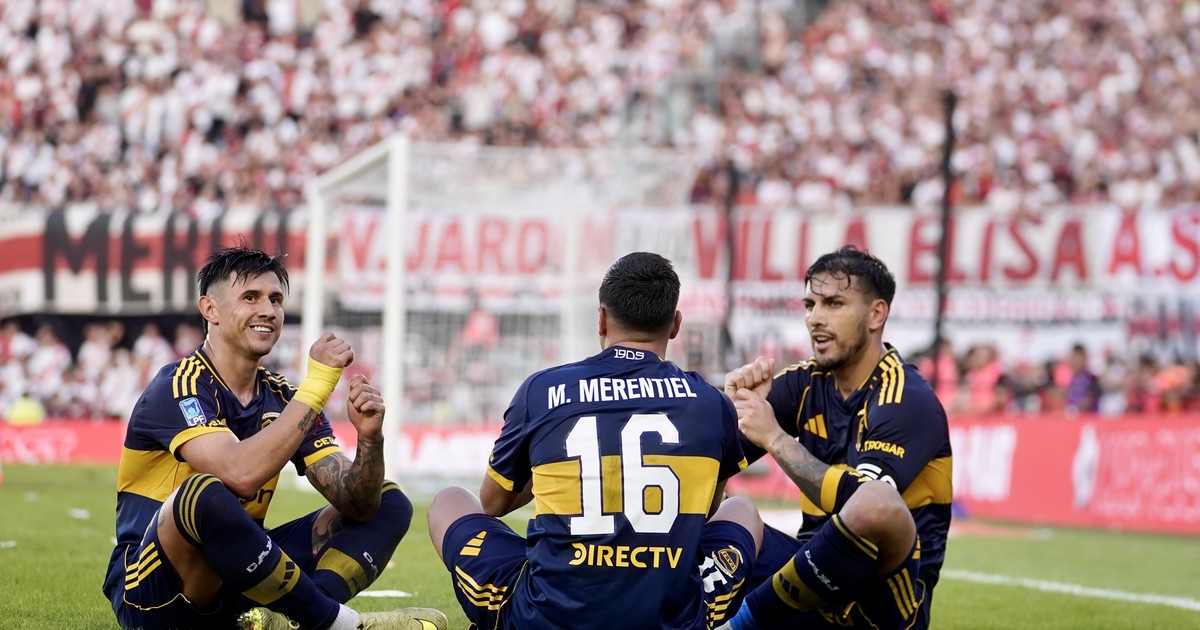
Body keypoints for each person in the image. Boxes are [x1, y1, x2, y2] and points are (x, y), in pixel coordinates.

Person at [101, 246, 447, 630]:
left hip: (237, 581)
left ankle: (289, 622)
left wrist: (370, 440)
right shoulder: (179, 385)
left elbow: (358, 507)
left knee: (388, 502)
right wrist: (317, 386)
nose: (268, 310)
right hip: (153, 592)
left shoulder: (285, 398)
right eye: (251, 297)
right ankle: (337, 624)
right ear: (210, 309)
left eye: (276, 299)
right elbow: (238, 474)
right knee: (203, 493)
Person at [427, 251, 764, 629]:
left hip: (545, 618)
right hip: (666, 617)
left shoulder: (542, 389)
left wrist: (561, 466)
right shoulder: (713, 404)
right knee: (741, 510)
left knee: (449, 501)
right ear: (675, 325)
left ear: (601, 318)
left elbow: (493, 503)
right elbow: (705, 512)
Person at [720, 246, 952, 629]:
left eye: (834, 304)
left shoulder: (907, 399)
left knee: (874, 501)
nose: (815, 318)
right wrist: (731, 409)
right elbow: (709, 461)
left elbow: (868, 504)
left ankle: (741, 623)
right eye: (809, 305)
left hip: (880, 603)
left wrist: (775, 438)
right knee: (733, 511)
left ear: (876, 314)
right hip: (810, 583)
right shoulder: (804, 382)